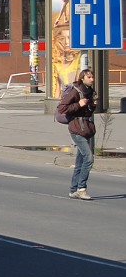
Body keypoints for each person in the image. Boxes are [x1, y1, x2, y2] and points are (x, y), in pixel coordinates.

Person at [57, 69, 96, 200]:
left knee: (80, 160)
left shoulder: (90, 91)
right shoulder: (75, 90)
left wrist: (92, 105)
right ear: (82, 78)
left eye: (92, 77)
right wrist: (78, 104)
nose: (92, 79)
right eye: (89, 77)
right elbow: (62, 108)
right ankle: (81, 188)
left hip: (86, 128)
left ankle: (73, 190)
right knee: (89, 157)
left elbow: (88, 110)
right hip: (76, 128)